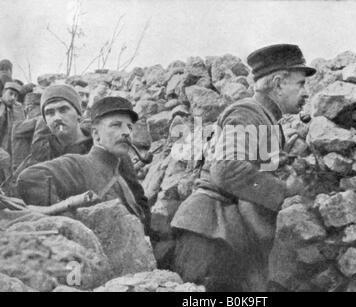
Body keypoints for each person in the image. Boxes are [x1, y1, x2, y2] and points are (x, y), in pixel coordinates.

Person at [170, 44, 316, 291]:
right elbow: (226, 168)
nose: (306, 93)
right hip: (211, 233)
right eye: (301, 84)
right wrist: (284, 191)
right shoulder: (248, 112)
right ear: (278, 83)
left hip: (227, 236)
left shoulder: (268, 120)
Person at [17, 96, 150, 233]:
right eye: (116, 125)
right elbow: (30, 177)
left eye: (129, 127)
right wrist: (61, 220)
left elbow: (139, 198)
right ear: (96, 135)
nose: (126, 132)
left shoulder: (118, 159)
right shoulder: (77, 163)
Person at [0, 81, 25, 182]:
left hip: (7, 147)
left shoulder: (15, 109)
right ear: (3, 92)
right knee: (5, 158)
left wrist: (19, 111)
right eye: (10, 93)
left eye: (16, 95)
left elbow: (20, 127)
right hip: (3, 152)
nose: (13, 98)